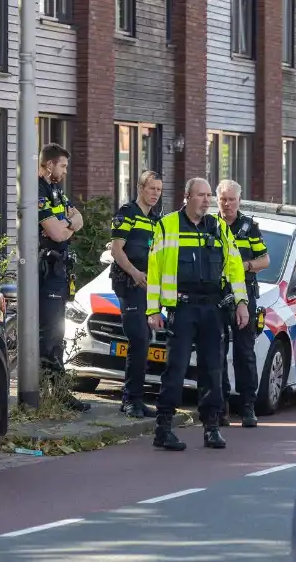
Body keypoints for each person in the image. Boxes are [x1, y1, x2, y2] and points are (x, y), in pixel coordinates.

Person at [146, 177, 250, 451]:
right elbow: (154, 270)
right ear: (187, 197)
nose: (207, 200)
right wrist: (153, 309)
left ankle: (211, 427)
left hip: (212, 309)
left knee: (212, 370)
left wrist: (241, 302)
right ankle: (163, 428)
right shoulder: (168, 225)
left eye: (208, 196)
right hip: (181, 308)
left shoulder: (219, 228)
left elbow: (235, 267)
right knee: (176, 368)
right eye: (201, 195)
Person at [37, 143, 90, 413]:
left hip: (59, 270)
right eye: (63, 165)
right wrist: (68, 227)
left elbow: (77, 218)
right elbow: (58, 233)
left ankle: (57, 392)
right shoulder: (38, 190)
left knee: (57, 333)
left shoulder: (56, 190)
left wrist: (66, 226)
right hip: (45, 269)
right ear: (49, 165)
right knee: (48, 334)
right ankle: (46, 394)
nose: (65, 171)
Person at [215, 179, 269, 428]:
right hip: (215, 293)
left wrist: (242, 267)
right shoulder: (209, 225)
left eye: (231, 199)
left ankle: (248, 406)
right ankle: (221, 407)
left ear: (239, 201)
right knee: (216, 352)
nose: (227, 204)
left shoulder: (249, 227)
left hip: (244, 294)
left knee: (244, 352)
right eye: (223, 199)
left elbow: (265, 260)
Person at [110, 171, 163, 419]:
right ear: (141, 188)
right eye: (152, 188)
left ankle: (135, 399)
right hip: (128, 283)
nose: (155, 194)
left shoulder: (155, 219)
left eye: (159, 190)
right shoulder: (127, 212)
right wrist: (134, 273)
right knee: (139, 339)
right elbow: (116, 250)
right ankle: (131, 399)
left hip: (146, 286)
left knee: (144, 342)